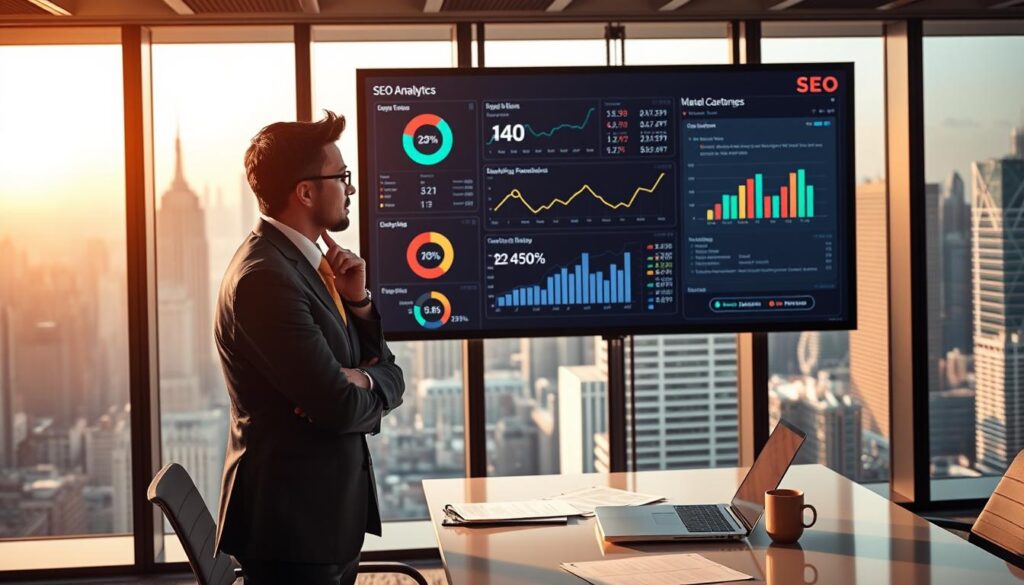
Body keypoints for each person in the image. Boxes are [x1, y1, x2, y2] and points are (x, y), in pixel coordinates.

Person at [213, 111, 404, 585]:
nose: (350, 188)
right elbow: (338, 407)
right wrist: (363, 385)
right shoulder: (266, 279)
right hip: (292, 532)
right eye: (341, 176)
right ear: (305, 192)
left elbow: (388, 370)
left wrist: (358, 304)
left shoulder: (309, 267)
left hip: (321, 523)